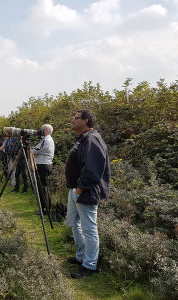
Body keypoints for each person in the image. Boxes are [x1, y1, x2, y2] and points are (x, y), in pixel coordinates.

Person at [65, 109, 110, 279]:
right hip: (76, 190)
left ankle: (90, 265)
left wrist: (80, 189)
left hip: (85, 191)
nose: (72, 120)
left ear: (85, 121)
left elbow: (93, 169)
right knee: (74, 223)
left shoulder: (92, 139)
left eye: (75, 118)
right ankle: (81, 256)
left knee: (89, 229)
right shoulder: (83, 139)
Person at [32, 124, 55, 213]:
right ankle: (44, 207)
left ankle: (45, 209)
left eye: (41, 130)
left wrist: (35, 152)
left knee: (43, 187)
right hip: (43, 164)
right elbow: (37, 150)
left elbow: (35, 150)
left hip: (43, 165)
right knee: (42, 186)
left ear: (46, 131)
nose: (39, 131)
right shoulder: (45, 140)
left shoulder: (47, 140)